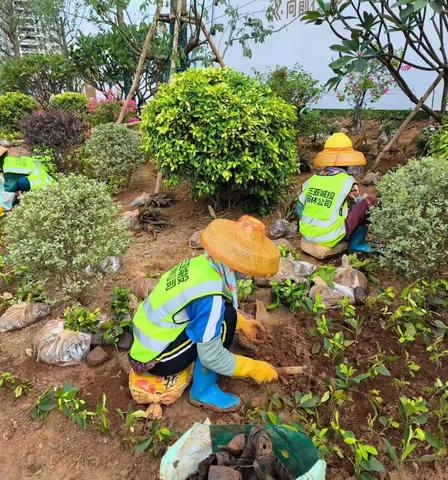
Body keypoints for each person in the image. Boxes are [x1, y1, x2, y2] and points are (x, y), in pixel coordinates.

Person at [128, 215, 280, 412]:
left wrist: (243, 322)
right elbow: (212, 357)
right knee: (225, 321)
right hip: (158, 358)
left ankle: (203, 377)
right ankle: (204, 391)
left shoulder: (202, 264)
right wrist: (254, 368)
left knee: (229, 316)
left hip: (146, 341)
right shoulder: (211, 297)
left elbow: (194, 304)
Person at [297, 133, 377, 253]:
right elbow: (357, 202)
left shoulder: (312, 179)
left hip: (306, 232)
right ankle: (357, 244)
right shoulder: (348, 181)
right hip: (329, 235)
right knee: (368, 202)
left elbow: (299, 207)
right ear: (348, 160)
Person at [0, 154, 54, 221]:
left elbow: (9, 190)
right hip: (48, 180)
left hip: (42, 187)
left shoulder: (8, 168)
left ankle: (31, 199)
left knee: (22, 182)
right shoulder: (11, 160)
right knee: (18, 184)